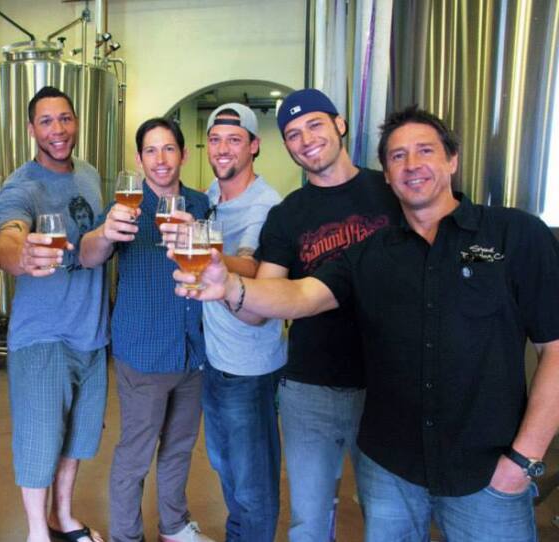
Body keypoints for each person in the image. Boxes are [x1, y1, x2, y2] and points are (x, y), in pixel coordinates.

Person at [176, 106, 559, 541]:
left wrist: (523, 461)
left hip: (486, 469)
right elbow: (301, 294)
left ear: (452, 160)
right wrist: (228, 287)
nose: (412, 165)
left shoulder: (515, 235)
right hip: (391, 467)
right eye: (397, 157)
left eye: (425, 151)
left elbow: (556, 351)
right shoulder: (372, 251)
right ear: (388, 177)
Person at [259, 89, 401, 540]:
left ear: (340, 125)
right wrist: (225, 284)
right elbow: (267, 291)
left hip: (387, 383)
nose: (306, 140)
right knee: (309, 520)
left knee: (391, 517)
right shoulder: (287, 214)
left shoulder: (392, 188)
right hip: (309, 388)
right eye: (293, 134)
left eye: (315, 125)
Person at [79, 118, 214, 542]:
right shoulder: (126, 207)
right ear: (139, 159)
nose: (160, 159)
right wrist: (104, 232)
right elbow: (88, 254)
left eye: (168, 149)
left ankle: (173, 526)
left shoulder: (199, 204)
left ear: (183, 154)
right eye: (151, 151)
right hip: (144, 349)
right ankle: (126, 536)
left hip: (193, 349)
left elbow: (215, 267)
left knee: (179, 447)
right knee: (136, 454)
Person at [0, 86, 109, 542]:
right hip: (43, 337)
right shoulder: (22, 185)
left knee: (77, 439)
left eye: (65, 119)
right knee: (40, 444)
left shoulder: (90, 174)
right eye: (46, 121)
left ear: (76, 121)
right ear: (30, 129)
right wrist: (20, 256)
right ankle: (37, 534)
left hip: (91, 334)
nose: (57, 130)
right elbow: (8, 236)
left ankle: (63, 516)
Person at [199, 103, 286, 541]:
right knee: (226, 469)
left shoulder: (269, 206)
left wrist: (209, 257)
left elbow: (252, 266)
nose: (222, 148)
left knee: (253, 484)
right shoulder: (210, 196)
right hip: (214, 360)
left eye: (234, 139)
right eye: (215, 139)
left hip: (249, 367)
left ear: (254, 146)